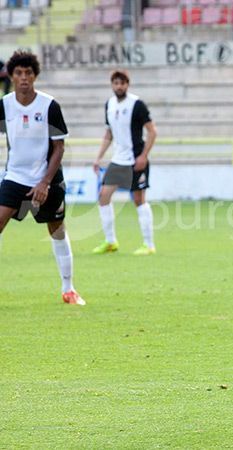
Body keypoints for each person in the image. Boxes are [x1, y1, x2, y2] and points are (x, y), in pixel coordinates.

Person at [0, 50, 85, 306]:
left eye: (28, 73)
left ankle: (69, 289)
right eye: (19, 73)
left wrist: (45, 182)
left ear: (35, 76)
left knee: (57, 230)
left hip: (47, 179)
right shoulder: (4, 105)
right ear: (11, 76)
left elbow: (59, 147)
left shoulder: (49, 106)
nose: (24, 78)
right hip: (15, 177)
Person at [92, 70, 157, 255]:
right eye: (116, 83)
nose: (119, 86)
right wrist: (98, 157)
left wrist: (144, 156)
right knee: (103, 196)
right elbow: (109, 133)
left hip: (136, 159)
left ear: (127, 84)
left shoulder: (137, 105)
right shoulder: (109, 105)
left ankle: (149, 244)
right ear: (112, 85)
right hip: (118, 160)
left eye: (122, 83)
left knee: (138, 200)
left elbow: (152, 131)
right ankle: (110, 242)